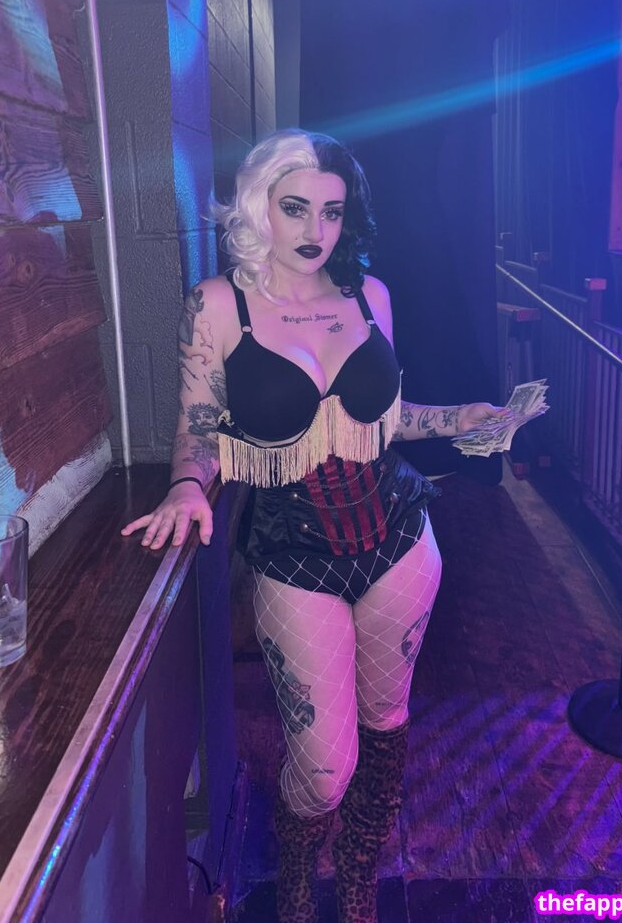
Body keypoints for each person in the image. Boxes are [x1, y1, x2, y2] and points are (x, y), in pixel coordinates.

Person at [122, 129, 508, 923]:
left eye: (332, 212)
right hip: (295, 556)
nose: (315, 230)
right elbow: (199, 425)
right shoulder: (218, 304)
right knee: (325, 770)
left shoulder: (370, 296)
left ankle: (360, 878)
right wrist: (188, 485)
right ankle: (298, 879)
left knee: (387, 724)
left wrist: (459, 417)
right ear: (258, 203)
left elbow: (385, 422)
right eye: (296, 208)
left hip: (400, 542)